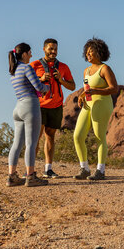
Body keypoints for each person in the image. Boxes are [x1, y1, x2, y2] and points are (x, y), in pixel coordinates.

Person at [73, 37, 119, 180]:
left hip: (102, 104)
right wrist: (82, 95)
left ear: (99, 53)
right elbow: (87, 88)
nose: (88, 55)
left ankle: (100, 171)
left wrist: (96, 91)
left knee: (100, 137)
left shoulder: (105, 69)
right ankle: (84, 168)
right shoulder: (86, 70)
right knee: (77, 136)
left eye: (91, 52)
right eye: (86, 52)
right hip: (88, 104)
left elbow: (114, 88)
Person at [30, 38, 76, 178]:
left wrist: (61, 80)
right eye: (50, 49)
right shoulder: (35, 65)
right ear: (44, 49)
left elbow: (72, 86)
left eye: (55, 49)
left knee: (50, 136)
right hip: (39, 106)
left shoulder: (63, 67)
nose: (53, 51)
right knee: (35, 138)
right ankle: (30, 171)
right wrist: (41, 79)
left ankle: (48, 169)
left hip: (56, 106)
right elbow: (25, 85)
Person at [7, 43, 50, 187]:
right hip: (30, 106)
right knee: (31, 143)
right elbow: (38, 86)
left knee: (16, 144)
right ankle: (30, 177)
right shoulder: (27, 68)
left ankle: (11, 176)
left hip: (18, 108)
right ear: (24, 54)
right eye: (30, 52)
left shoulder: (13, 71)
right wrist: (47, 87)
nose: (31, 55)